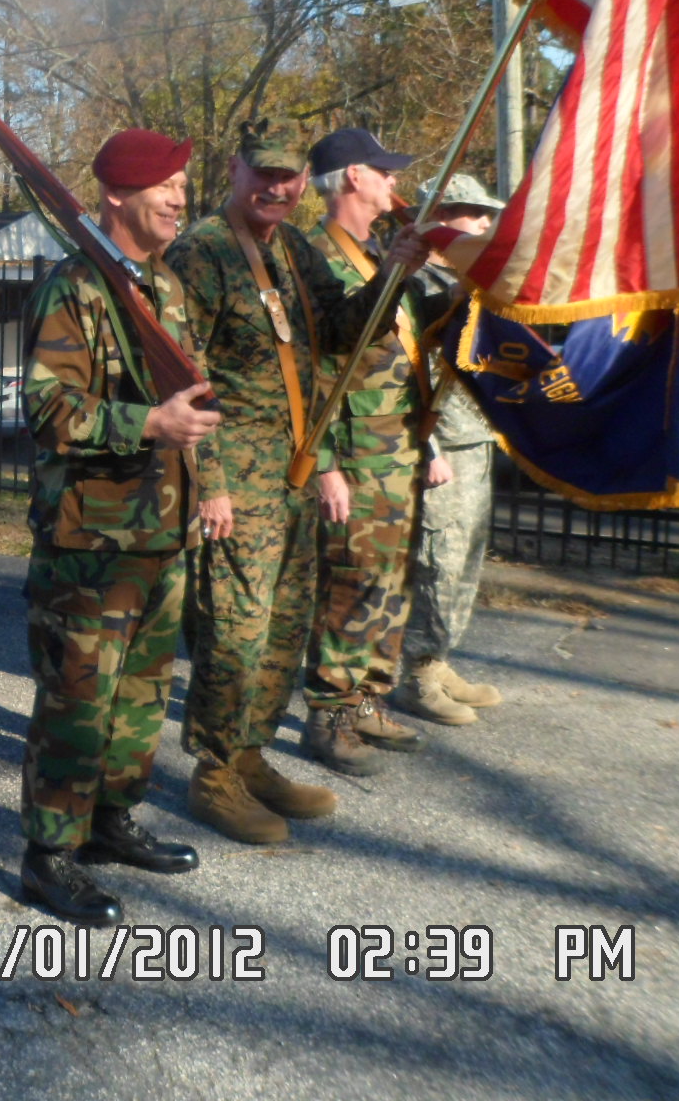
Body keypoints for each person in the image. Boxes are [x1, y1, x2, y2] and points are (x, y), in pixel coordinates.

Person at [165, 117, 428, 844]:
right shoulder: (202, 253)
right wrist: (208, 482)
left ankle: (251, 758)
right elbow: (186, 376)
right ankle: (214, 773)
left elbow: (344, 332)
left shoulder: (294, 251)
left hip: (292, 475)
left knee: (281, 632)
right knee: (234, 634)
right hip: (236, 483)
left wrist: (394, 272)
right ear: (235, 170)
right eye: (264, 173)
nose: (277, 187)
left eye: (288, 176)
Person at [17, 129, 219, 927]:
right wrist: (147, 424)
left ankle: (108, 823)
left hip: (162, 534)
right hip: (90, 541)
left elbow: (198, 406)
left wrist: (211, 487)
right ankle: (50, 854)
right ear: (115, 197)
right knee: (77, 700)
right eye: (165, 184)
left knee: (140, 696)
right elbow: (44, 407)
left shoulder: (163, 288)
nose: (179, 197)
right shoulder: (74, 288)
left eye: (182, 184)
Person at [301, 128, 429, 775]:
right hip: (353, 454)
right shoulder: (320, 258)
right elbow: (313, 371)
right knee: (351, 584)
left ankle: (370, 695)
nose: (395, 184)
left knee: (390, 580)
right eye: (386, 172)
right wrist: (324, 465)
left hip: (394, 450)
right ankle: (330, 714)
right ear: (354, 177)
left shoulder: (376, 252)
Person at [392, 173, 507, 724]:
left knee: (465, 559)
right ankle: (415, 673)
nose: (484, 223)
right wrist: (429, 444)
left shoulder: (474, 276)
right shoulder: (417, 281)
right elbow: (405, 373)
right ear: (439, 217)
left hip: (476, 437)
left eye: (488, 214)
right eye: (471, 212)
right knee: (436, 561)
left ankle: (438, 661)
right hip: (442, 443)